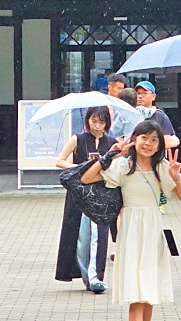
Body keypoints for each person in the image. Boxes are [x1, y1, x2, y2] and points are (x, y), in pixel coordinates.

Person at [81, 120, 181, 321]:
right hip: (130, 229)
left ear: (160, 145)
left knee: (148, 293)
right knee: (135, 294)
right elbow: (86, 178)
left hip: (153, 229)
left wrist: (176, 178)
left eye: (154, 140)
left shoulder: (164, 167)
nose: (148, 143)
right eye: (144, 138)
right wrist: (110, 156)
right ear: (134, 140)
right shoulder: (124, 165)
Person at [54, 106, 115, 294]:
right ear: (88, 120)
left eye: (101, 122)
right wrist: (80, 167)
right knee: (81, 236)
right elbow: (60, 161)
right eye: (94, 121)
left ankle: (96, 277)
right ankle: (85, 275)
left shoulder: (112, 143)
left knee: (100, 236)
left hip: (101, 194)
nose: (97, 126)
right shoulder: (78, 139)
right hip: (79, 193)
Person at [134, 80, 180, 149]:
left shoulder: (161, 116)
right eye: (138, 93)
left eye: (144, 93)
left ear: (153, 96)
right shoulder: (131, 114)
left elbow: (166, 142)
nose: (140, 96)